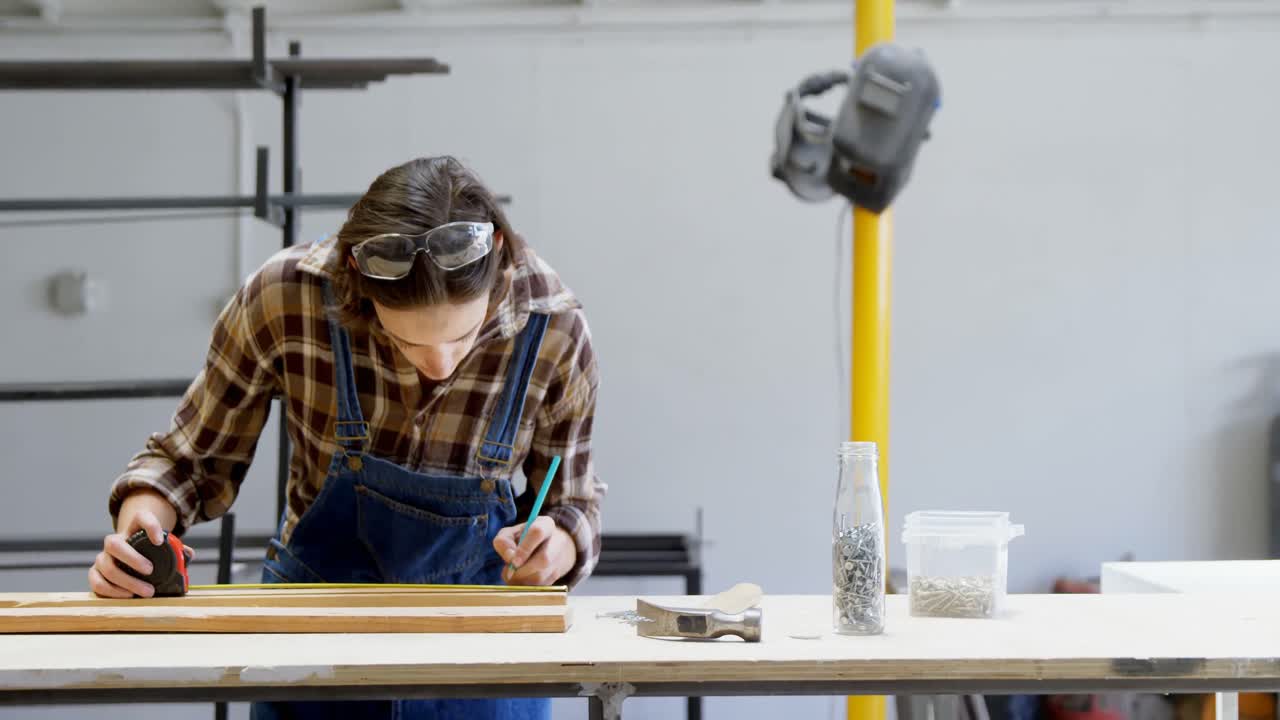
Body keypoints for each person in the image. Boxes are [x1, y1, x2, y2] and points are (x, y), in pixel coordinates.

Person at [88, 155, 605, 719]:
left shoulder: (554, 327)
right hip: (313, 644)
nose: (439, 365)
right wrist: (141, 529)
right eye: (407, 342)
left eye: (463, 337)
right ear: (357, 280)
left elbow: (572, 503)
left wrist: (556, 544)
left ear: (498, 255)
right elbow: (189, 462)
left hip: (481, 654)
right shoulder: (286, 297)